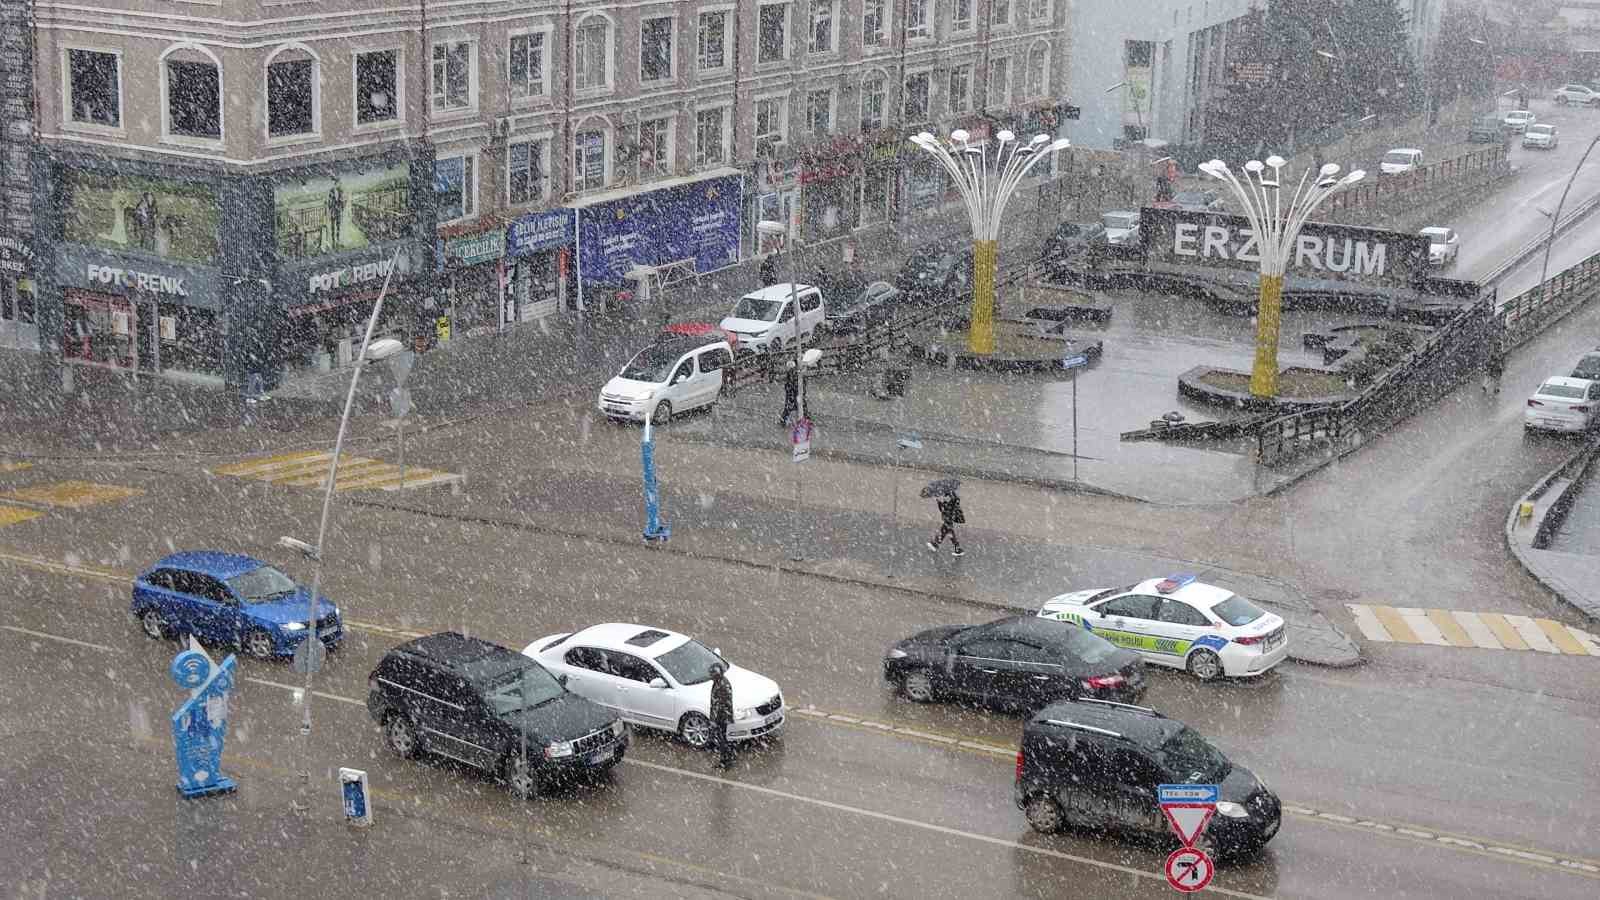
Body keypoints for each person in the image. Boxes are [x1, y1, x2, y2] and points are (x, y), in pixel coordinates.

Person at [708, 662, 735, 769]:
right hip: (721, 716)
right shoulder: (718, 682)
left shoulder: (722, 685)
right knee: (722, 739)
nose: (711, 676)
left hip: (722, 717)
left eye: (712, 674)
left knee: (723, 740)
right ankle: (726, 759)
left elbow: (721, 705)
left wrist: (714, 720)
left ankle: (726, 761)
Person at [926, 490, 966, 557]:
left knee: (946, 531)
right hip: (949, 518)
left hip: (949, 518)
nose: (944, 496)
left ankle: (936, 544)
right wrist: (939, 502)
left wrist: (941, 502)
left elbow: (947, 507)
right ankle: (957, 549)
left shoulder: (953, 499)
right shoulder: (951, 498)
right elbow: (943, 509)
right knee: (948, 532)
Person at [780, 360, 799, 428]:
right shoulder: (793, 373)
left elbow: (788, 384)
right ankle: (784, 420)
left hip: (792, 392)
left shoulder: (793, 373)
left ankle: (784, 420)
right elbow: (789, 384)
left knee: (790, 407)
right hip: (792, 392)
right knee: (790, 407)